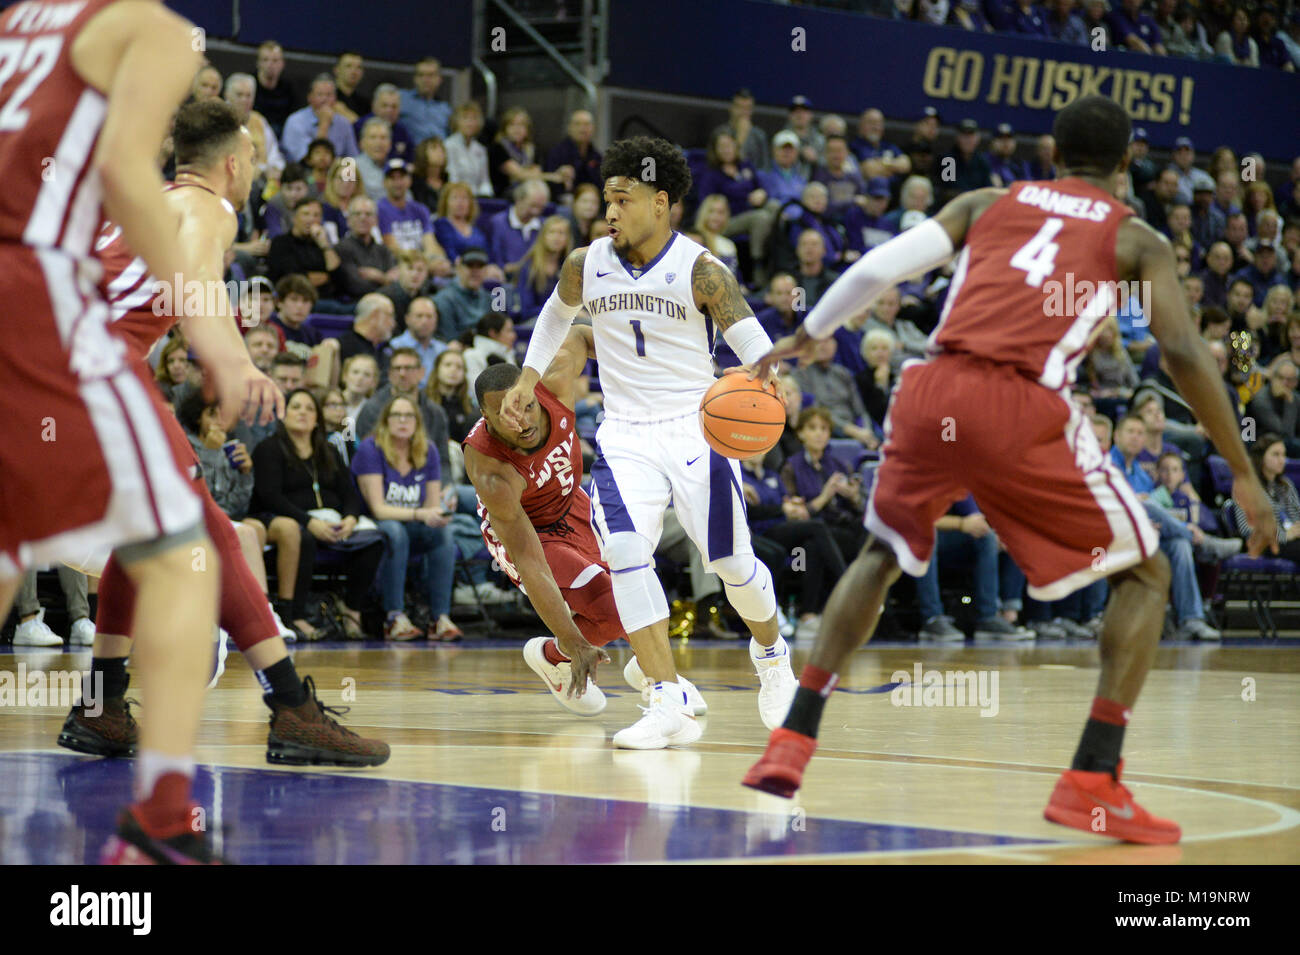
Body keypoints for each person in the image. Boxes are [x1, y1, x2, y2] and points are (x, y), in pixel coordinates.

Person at [743, 95, 1276, 844]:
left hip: (930, 390)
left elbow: (875, 265)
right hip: (1021, 402)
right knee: (1148, 574)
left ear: (1052, 153)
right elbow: (1185, 353)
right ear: (1127, 165)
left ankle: (794, 736)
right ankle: (1093, 774)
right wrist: (1244, 474)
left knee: (881, 555)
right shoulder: (1137, 238)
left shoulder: (988, 200)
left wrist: (808, 333)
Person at [79, 102, 385, 780]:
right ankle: (291, 704)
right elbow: (194, 289)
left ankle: (101, 704)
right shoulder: (210, 208)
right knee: (206, 528)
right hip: (90, 368)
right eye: (254, 159)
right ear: (234, 162)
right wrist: (238, 364)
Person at [498, 136, 797, 749]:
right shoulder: (587, 262)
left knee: (733, 566)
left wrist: (766, 379)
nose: (608, 211)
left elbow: (752, 343)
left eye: (621, 199)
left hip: (696, 429)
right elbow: (557, 314)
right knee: (629, 556)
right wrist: (529, 375)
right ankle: (663, 700)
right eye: (605, 199)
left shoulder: (701, 270)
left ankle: (772, 654)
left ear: (660, 203)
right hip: (624, 434)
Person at [251, 388, 384, 640]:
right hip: (290, 521)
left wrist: (350, 518)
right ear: (283, 414)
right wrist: (309, 522)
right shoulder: (268, 449)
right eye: (296, 407)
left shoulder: (328, 451)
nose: (303, 413)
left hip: (332, 522)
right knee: (304, 537)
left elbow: (349, 494)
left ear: (317, 418)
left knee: (374, 540)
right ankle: (297, 616)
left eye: (310, 408)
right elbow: (270, 497)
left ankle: (351, 608)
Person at [353, 395, 460, 641]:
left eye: (409, 415)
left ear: (417, 421)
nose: (403, 420)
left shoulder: (428, 449)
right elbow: (379, 509)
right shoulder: (371, 448)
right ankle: (394, 617)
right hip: (374, 524)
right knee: (394, 531)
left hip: (412, 522)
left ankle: (440, 618)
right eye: (396, 415)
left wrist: (439, 513)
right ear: (385, 420)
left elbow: (432, 506)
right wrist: (421, 514)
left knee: (443, 532)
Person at [1231, 434, 1300, 558]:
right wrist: (1284, 535)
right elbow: (1247, 529)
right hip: (1265, 544)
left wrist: (1296, 530)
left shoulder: (1286, 485)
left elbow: (1297, 516)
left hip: (1292, 540)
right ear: (1261, 457)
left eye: (1284, 455)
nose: (1282, 460)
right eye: (1276, 454)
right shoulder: (1247, 487)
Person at [281, 74, 359, 163]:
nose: (324, 99)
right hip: (303, 172)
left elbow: (352, 159)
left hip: (336, 173)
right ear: (310, 98)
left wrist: (346, 176)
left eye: (329, 95)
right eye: (320, 94)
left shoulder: (344, 123)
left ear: (335, 98)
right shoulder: (295, 121)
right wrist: (324, 124)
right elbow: (309, 160)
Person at [389, 296, 447, 384]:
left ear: (436, 320)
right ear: (407, 319)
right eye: (419, 316)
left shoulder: (442, 350)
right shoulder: (394, 347)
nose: (424, 321)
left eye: (429, 316)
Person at [428, 349, 477, 444]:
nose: (453, 370)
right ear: (437, 369)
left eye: (459, 367)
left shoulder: (468, 405)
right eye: (448, 365)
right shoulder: (424, 400)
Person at [444, 101, 492, 197]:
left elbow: (484, 180)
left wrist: (486, 195)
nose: (470, 123)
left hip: (478, 197)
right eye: (465, 118)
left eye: (474, 119)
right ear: (457, 121)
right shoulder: (448, 145)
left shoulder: (481, 149)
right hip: (456, 195)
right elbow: (453, 178)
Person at [400, 57, 452, 145]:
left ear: (439, 79)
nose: (425, 80)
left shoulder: (446, 109)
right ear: (415, 79)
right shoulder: (401, 99)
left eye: (430, 75)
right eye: (421, 75)